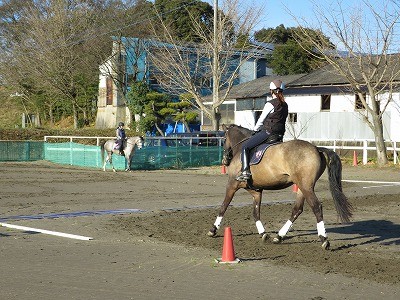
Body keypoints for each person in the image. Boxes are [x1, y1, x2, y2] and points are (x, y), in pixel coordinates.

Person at [236, 79, 288, 181]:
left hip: (269, 132)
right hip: (280, 134)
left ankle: (245, 171)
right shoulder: (285, 105)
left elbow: (261, 120)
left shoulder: (270, 104)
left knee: (245, 146)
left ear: (271, 91)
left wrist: (255, 130)